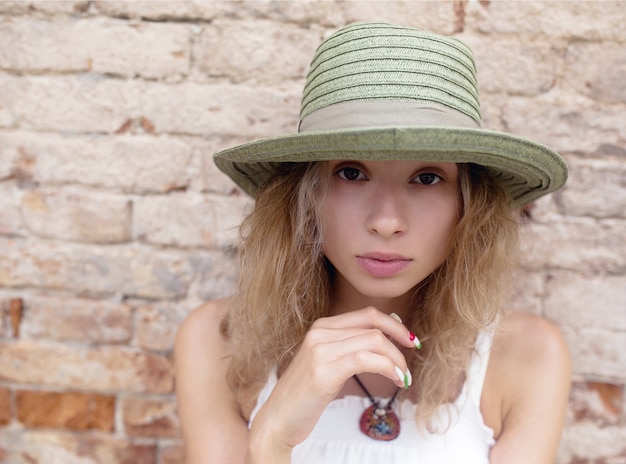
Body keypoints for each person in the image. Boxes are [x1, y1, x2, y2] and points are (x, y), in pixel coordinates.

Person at [174, 21, 571, 464]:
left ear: (468, 206)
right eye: (351, 173)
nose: (386, 221)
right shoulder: (220, 342)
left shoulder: (527, 355)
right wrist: (271, 441)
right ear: (304, 196)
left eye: (426, 178)